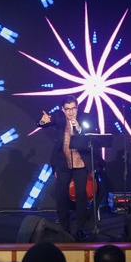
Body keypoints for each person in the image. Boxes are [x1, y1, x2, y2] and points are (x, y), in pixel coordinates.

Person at [37, 96, 91, 239]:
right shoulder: (58, 116)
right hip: (62, 162)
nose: (71, 112)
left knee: (81, 195)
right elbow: (43, 123)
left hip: (81, 162)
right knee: (61, 195)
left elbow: (92, 134)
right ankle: (64, 228)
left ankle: (80, 228)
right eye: (68, 109)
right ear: (63, 109)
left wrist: (79, 128)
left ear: (77, 108)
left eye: (73, 108)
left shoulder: (85, 117)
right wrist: (43, 121)